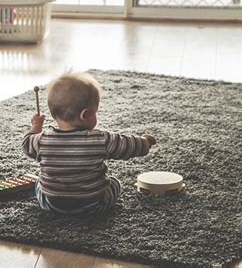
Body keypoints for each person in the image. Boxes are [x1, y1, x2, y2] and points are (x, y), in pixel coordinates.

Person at [22, 72, 156, 215]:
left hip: (52, 204)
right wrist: (145, 142)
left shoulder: (41, 141)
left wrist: (36, 126)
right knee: (115, 183)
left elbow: (26, 143)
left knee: (38, 183)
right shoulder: (100, 140)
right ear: (84, 115)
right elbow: (127, 145)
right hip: (94, 204)